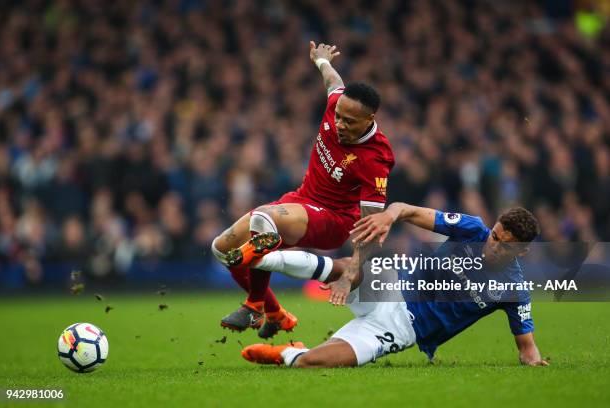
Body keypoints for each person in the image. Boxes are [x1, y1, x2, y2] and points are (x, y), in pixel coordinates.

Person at [210, 41, 395, 339]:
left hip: (333, 219)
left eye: (349, 122)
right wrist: (322, 60)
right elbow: (333, 81)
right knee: (222, 249)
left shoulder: (376, 158)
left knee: (263, 220)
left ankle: (254, 304)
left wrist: (351, 273)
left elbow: (370, 224)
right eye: (337, 117)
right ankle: (276, 314)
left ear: (369, 120)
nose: (339, 125)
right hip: (301, 200)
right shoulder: (338, 101)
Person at [238, 203, 549, 367]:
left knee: (315, 363)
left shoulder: (515, 290)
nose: (492, 245)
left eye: (504, 246)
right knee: (350, 269)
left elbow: (527, 348)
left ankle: (288, 354)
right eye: (495, 235)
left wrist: (534, 361)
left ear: (521, 251)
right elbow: (406, 209)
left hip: (405, 329)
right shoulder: (472, 229)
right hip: (394, 285)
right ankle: (262, 258)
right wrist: (389, 215)